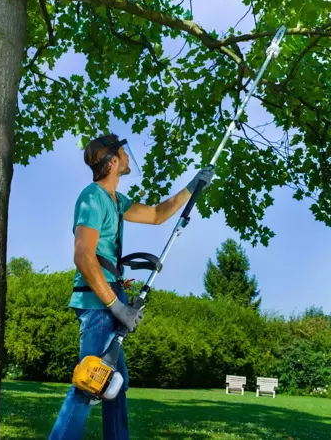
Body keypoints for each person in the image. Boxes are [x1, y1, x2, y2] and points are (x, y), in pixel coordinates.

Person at [48, 134, 213, 440]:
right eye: (123, 153)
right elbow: (83, 255)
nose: (127, 158)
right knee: (90, 384)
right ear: (112, 161)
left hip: (111, 297)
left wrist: (193, 186)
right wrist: (117, 306)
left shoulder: (116, 200)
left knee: (117, 384)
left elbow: (156, 215)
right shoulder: (92, 197)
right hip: (99, 304)